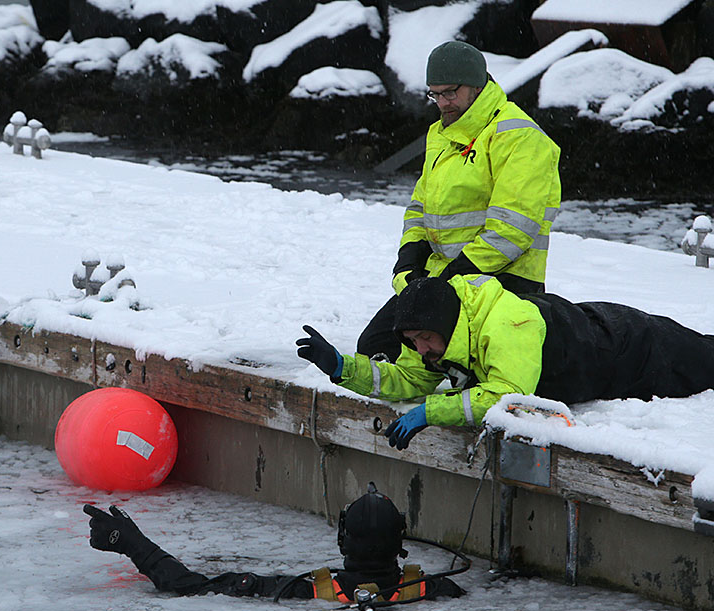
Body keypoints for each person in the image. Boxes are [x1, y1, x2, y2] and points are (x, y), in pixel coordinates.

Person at [298, 275, 714, 450]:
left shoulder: (505, 326)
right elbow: (409, 378)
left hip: (630, 347)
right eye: (413, 341)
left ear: (446, 325)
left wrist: (433, 410)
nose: (421, 349)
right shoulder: (438, 333)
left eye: (425, 339)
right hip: (589, 337)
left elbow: (508, 395)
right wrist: (340, 366)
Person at [358, 40, 562, 362]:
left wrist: (451, 277)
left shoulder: (520, 136)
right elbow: (418, 210)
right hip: (444, 276)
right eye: (434, 94)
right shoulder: (440, 133)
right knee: (375, 347)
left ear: (476, 86)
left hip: (503, 279)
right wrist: (410, 259)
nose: (442, 103)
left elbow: (512, 229)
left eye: (450, 92)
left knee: (461, 360)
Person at [82, 485, 464, 606]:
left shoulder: (304, 590)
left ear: (343, 539)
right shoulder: (438, 589)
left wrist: (132, 543)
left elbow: (190, 587)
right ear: (401, 542)